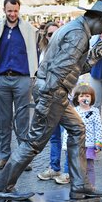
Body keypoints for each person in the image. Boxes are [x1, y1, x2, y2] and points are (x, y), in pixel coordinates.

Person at [0, 0, 102, 202]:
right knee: (34, 143)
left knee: (78, 129)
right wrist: (45, 101)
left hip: (55, 92)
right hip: (53, 92)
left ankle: (79, 185)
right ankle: (3, 187)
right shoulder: (79, 34)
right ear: (97, 19)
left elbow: (72, 68)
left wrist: (93, 57)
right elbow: (60, 69)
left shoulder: (76, 29)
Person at [0, 0, 38, 171]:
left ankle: (22, 158)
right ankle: (4, 157)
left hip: (23, 78)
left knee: (23, 120)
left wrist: (34, 76)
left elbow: (34, 53)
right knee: (4, 121)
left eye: (15, 10)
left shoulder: (29, 30)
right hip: (1, 78)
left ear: (19, 10)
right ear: (4, 10)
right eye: (9, 10)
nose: (13, 14)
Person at [36, 22, 65, 182]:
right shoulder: (44, 52)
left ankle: (68, 171)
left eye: (55, 34)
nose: (52, 37)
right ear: (45, 37)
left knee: (67, 136)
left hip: (64, 98)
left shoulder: (67, 51)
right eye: (49, 34)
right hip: (49, 98)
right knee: (54, 136)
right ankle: (54, 167)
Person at [61, 84, 102, 186]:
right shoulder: (73, 111)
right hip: (76, 145)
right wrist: (66, 146)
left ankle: (91, 187)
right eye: (81, 96)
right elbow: (68, 129)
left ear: (92, 98)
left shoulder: (95, 111)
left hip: (89, 145)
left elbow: (98, 128)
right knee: (77, 168)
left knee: (89, 167)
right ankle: (79, 186)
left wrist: (98, 143)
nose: (84, 98)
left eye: (87, 96)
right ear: (77, 99)